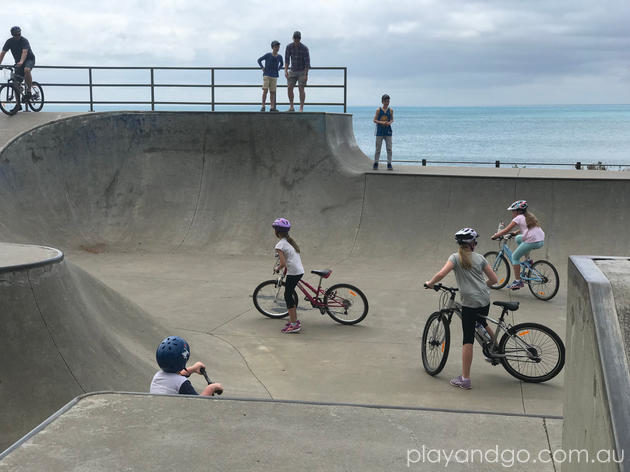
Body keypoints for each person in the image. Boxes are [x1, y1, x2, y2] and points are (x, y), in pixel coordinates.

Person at [425, 228, 499, 390]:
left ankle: (465, 379)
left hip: (470, 303)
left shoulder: (455, 258)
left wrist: (430, 283)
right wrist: (481, 288)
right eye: (475, 241)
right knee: (481, 322)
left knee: (468, 339)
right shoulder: (479, 258)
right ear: (471, 244)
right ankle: (497, 347)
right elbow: (494, 280)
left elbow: (441, 274)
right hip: (484, 299)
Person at [491, 200, 545, 290]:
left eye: (513, 211)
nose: (512, 213)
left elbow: (506, 230)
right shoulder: (529, 216)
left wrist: (496, 235)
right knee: (518, 238)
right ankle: (528, 260)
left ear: (518, 211)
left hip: (532, 241)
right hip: (540, 240)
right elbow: (527, 227)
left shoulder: (518, 218)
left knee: (515, 257)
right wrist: (516, 232)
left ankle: (517, 281)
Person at [150, 336, 223, 396]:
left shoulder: (158, 376)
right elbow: (199, 403)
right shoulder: (182, 384)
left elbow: (175, 377)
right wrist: (211, 388)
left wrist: (192, 369)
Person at [272, 217, 304, 333]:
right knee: (289, 294)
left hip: (294, 273)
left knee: (288, 296)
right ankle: (293, 320)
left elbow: (283, 263)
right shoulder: (289, 242)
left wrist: (277, 268)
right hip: (299, 270)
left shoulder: (280, 245)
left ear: (276, 231)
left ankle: (295, 324)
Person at [0, 27, 35, 98]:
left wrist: (21, 61)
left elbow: (24, 52)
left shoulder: (24, 41)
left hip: (29, 59)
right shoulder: (9, 42)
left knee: (27, 70)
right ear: (12, 35)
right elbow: (3, 53)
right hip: (18, 62)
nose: (17, 36)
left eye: (19, 34)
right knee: (16, 84)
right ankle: (18, 105)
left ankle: (29, 90)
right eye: (15, 35)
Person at [284, 31, 310, 112]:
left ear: (300, 39)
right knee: (289, 87)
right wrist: (286, 70)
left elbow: (307, 63)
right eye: (295, 38)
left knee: (301, 88)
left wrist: (306, 75)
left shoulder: (304, 48)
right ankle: (291, 106)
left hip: (302, 71)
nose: (296, 40)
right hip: (293, 70)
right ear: (293, 38)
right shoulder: (289, 47)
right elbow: (287, 60)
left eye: (298, 38)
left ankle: (301, 108)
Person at [257, 40, 283, 112]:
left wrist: (278, 69)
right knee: (265, 90)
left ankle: (272, 107)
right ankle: (263, 106)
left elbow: (282, 64)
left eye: (278, 46)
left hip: (274, 76)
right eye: (275, 46)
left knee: (272, 92)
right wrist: (262, 68)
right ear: (272, 47)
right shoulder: (268, 55)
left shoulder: (280, 57)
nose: (277, 48)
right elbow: (259, 60)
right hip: (267, 75)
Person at [373, 94, 394, 170]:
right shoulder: (378, 110)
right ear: (382, 101)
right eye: (385, 101)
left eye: (388, 101)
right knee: (378, 148)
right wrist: (382, 122)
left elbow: (392, 119)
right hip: (379, 132)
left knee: (389, 148)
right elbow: (374, 120)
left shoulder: (391, 110)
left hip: (388, 131)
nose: (387, 102)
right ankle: (376, 163)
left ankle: (389, 163)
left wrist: (390, 122)